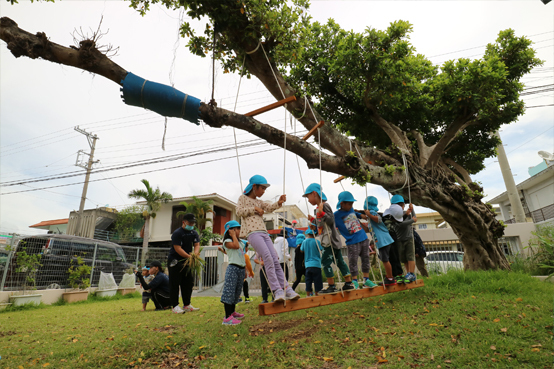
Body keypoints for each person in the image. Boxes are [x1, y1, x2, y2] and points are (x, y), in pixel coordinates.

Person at [236, 175, 299, 302]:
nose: (264, 191)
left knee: (275, 259)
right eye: (262, 188)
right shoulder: (243, 198)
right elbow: (238, 211)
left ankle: (287, 289)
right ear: (254, 187)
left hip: (264, 233)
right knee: (268, 258)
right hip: (252, 233)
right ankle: (277, 290)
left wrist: (279, 202)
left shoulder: (260, 202)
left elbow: (269, 207)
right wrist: (254, 209)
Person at [303, 183, 355, 294]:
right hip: (330, 240)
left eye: (308, 197)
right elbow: (322, 223)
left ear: (314, 194)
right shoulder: (319, 208)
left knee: (325, 262)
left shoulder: (324, 206)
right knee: (340, 261)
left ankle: (332, 285)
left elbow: (331, 220)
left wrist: (321, 213)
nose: (308, 200)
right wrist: (314, 221)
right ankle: (348, 283)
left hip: (329, 241)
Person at [334, 191, 378, 289]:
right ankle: (354, 281)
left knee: (366, 259)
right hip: (352, 241)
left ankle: (366, 280)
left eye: (352, 203)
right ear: (342, 204)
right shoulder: (336, 215)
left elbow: (355, 213)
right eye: (349, 204)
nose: (351, 205)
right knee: (353, 261)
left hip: (363, 238)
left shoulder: (351, 209)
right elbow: (328, 222)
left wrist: (360, 215)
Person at [169, 213, 201, 314]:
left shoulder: (194, 233)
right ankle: (175, 306)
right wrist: (189, 257)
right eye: (190, 222)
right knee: (175, 283)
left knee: (188, 282)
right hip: (176, 261)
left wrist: (194, 255)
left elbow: (196, 245)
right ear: (184, 222)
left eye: (193, 223)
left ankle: (187, 304)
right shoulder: (177, 233)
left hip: (187, 261)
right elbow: (178, 248)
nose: (191, 224)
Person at [363, 196, 397, 287]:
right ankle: (389, 277)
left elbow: (379, 219)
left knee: (385, 259)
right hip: (381, 241)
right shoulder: (370, 217)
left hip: (383, 240)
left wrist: (369, 215)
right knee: (385, 259)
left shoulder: (372, 213)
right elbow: (367, 229)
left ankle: (390, 278)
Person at [384, 195, 417, 283]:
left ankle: (411, 273)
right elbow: (400, 224)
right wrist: (412, 220)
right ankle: (408, 274)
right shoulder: (394, 215)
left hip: (408, 238)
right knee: (403, 258)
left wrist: (412, 209)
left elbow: (414, 218)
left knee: (410, 256)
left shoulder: (403, 213)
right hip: (399, 239)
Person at [220, 220, 247, 325]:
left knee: (236, 292)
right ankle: (227, 318)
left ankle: (232, 312)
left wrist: (244, 269)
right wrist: (232, 235)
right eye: (237, 228)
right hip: (233, 268)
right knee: (229, 292)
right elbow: (235, 246)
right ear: (231, 230)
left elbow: (242, 254)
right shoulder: (227, 241)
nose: (239, 230)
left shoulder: (240, 242)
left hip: (240, 268)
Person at [301, 229, 324, 296]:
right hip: (316, 264)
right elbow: (321, 249)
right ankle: (317, 295)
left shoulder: (304, 242)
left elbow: (301, 250)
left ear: (308, 233)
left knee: (308, 281)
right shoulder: (317, 242)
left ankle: (308, 295)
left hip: (308, 265)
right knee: (318, 282)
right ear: (316, 234)